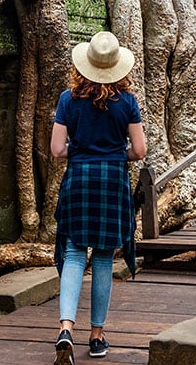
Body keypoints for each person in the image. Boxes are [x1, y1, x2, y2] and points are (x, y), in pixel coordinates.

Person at [50, 31, 147, 364]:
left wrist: (80, 150)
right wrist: (116, 153)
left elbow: (57, 149)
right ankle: (96, 336)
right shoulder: (128, 103)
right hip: (112, 180)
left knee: (75, 253)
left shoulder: (67, 99)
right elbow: (140, 150)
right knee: (104, 258)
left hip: (79, 178)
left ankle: (65, 329)